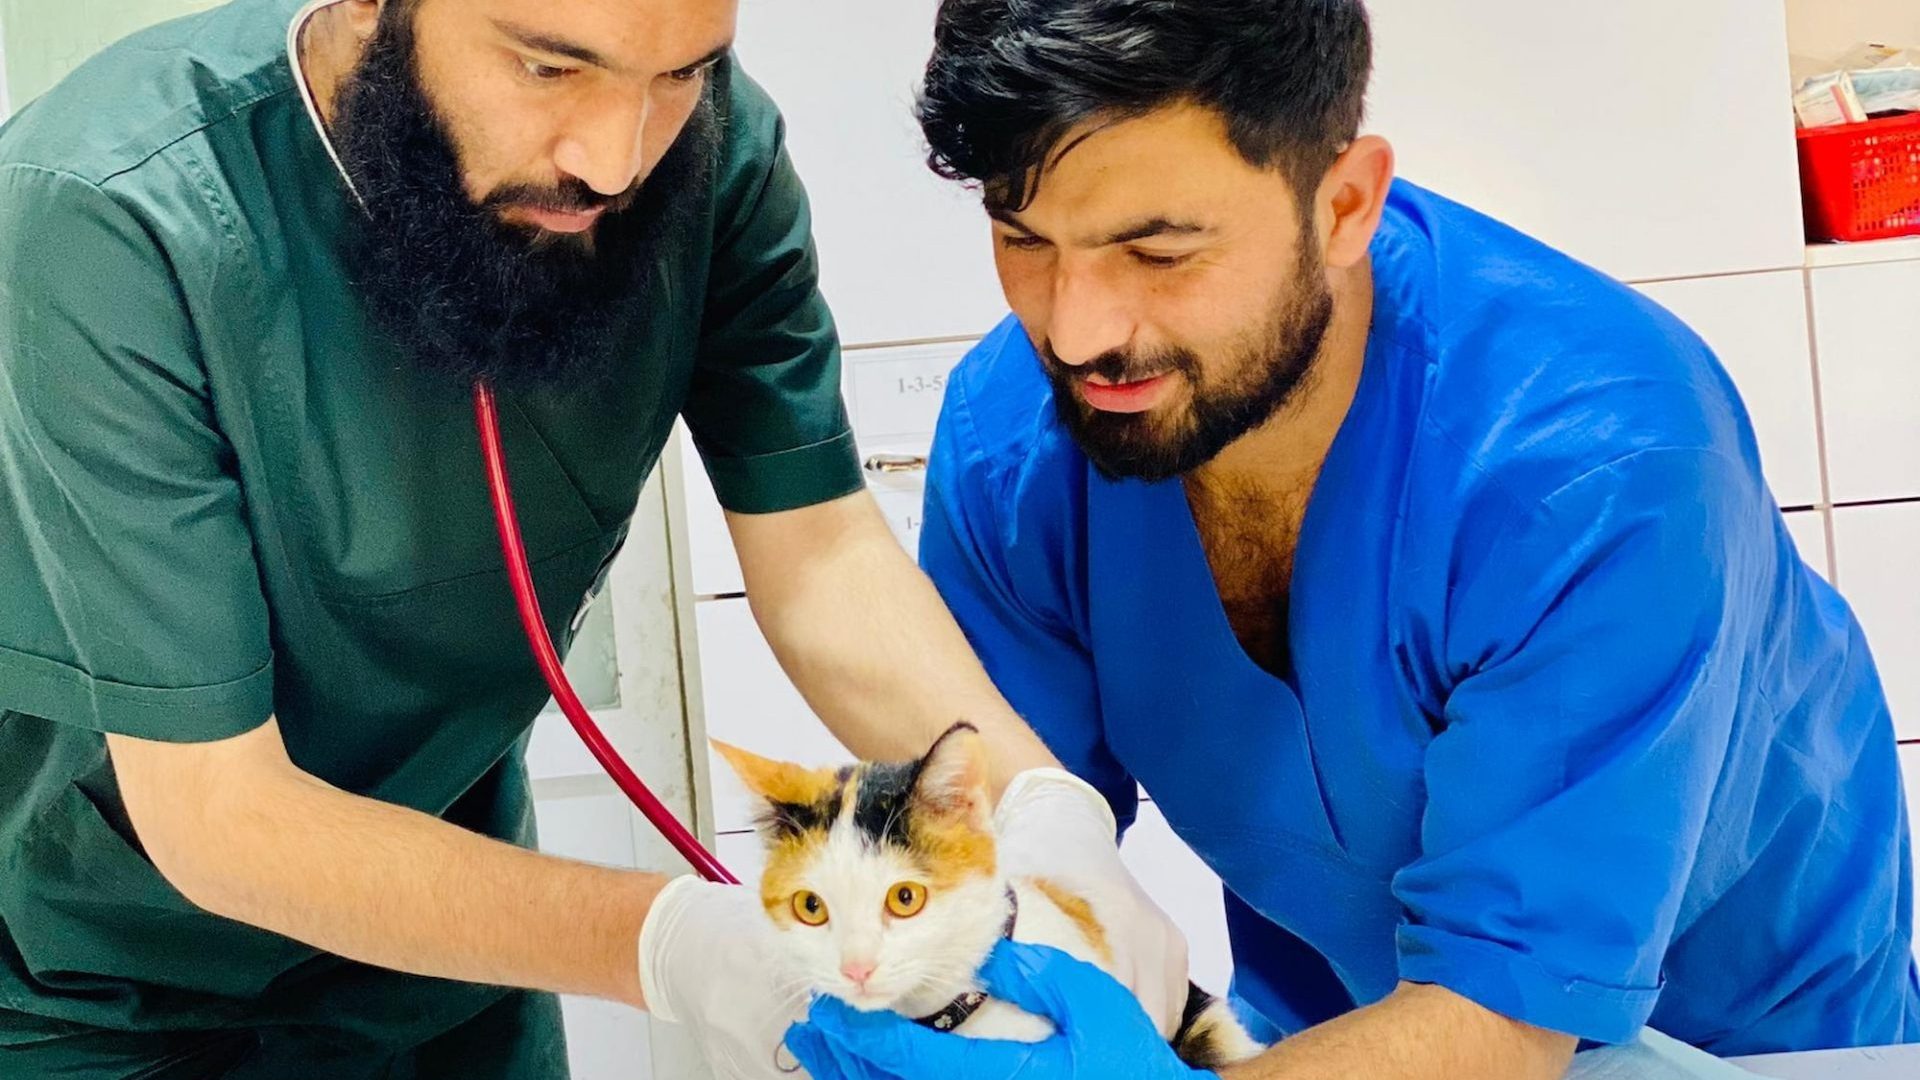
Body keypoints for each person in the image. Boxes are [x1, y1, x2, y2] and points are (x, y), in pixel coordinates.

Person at [0, 0, 1187, 1076]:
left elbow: (820, 555)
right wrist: (674, 943)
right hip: (101, 985)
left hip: (442, 953)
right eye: (547, 66)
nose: (615, 159)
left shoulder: (712, 159)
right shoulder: (109, 217)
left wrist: (1041, 810)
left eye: (681, 73)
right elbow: (220, 813)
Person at [784, 1, 1920, 1078]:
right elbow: (993, 851)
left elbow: (1500, 1023)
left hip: (1746, 1040)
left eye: (1161, 251)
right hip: (1340, 1030)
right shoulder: (1017, 445)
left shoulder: (1596, 466)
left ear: (1343, 206)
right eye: (1024, 238)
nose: (1077, 330)